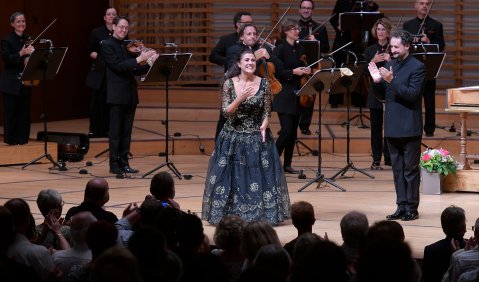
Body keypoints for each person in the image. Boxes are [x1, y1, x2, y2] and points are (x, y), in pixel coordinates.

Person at [202, 48, 291, 226]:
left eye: (253, 60)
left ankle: (259, 213)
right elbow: (226, 113)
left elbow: (266, 109)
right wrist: (240, 97)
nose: (250, 63)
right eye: (247, 60)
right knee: (232, 176)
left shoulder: (264, 83)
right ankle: (231, 213)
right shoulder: (229, 83)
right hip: (232, 136)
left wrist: (265, 122)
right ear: (239, 64)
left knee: (257, 176)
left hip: (257, 137)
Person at [368, 29, 426, 221]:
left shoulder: (417, 67)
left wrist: (391, 80)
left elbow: (411, 95)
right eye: (391, 46)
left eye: (395, 46)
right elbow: (383, 94)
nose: (391, 50)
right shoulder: (391, 64)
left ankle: (412, 207)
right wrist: (377, 81)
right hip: (392, 126)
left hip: (409, 126)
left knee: (410, 170)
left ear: (407, 46)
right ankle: (401, 205)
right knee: (397, 171)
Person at [101, 16, 158, 175]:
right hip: (116, 94)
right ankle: (114, 165)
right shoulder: (107, 45)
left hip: (130, 93)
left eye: (126, 28)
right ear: (113, 27)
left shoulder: (127, 46)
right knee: (115, 132)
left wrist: (150, 64)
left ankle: (124, 163)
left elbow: (134, 70)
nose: (123, 30)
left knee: (126, 131)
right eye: (120, 27)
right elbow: (118, 67)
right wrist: (140, 58)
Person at [272, 18, 311, 174]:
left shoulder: (299, 49)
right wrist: (293, 72)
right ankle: (273, 160)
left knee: (293, 133)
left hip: (298, 94)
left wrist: (306, 70)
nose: (297, 31)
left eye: (298, 29)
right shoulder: (279, 49)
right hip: (284, 94)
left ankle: (287, 164)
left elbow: (302, 66)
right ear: (286, 31)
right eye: (294, 29)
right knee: (286, 131)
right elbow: (275, 72)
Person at [403, 0, 445, 137]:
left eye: (427, 3)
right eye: (421, 3)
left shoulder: (436, 25)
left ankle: (429, 129)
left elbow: (441, 45)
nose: (424, 5)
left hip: (428, 68)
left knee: (429, 100)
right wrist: (410, 42)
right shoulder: (408, 25)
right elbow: (401, 44)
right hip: (411, 68)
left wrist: (429, 41)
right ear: (415, 6)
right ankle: (412, 127)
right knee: (411, 99)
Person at [209, 11, 253, 141]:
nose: (250, 25)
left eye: (251, 23)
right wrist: (229, 62)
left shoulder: (253, 41)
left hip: (250, 83)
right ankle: (218, 146)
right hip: (232, 81)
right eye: (247, 23)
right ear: (237, 24)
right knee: (225, 114)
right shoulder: (227, 40)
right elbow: (213, 56)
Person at [329, 0, 379, 108]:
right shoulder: (341, 2)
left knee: (356, 67)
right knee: (338, 66)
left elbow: (373, 14)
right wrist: (338, 27)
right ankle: (335, 99)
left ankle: (358, 99)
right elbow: (333, 17)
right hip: (342, 37)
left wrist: (372, 5)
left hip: (357, 39)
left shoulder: (365, 2)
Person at [0, 12, 35, 145]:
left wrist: (30, 56)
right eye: (19, 21)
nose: (22, 24)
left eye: (23, 21)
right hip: (11, 82)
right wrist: (21, 53)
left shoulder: (28, 38)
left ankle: (23, 140)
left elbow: (28, 61)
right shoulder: (6, 39)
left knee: (24, 114)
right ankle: (11, 142)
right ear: (12, 24)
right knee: (11, 114)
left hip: (25, 81)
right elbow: (6, 59)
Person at [297, 0, 330, 135]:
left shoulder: (320, 28)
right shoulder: (294, 26)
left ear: (312, 10)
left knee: (310, 96)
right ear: (299, 9)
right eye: (304, 8)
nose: (306, 10)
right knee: (294, 96)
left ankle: (305, 125)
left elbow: (326, 48)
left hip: (313, 65)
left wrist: (316, 42)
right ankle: (290, 124)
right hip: (296, 65)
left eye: (309, 8)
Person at [364, 17, 393, 170]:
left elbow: (399, 69)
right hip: (375, 93)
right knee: (375, 127)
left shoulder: (394, 48)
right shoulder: (370, 50)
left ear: (388, 31)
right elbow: (364, 72)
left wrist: (391, 60)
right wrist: (373, 61)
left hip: (390, 92)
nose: (381, 32)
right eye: (379, 29)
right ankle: (376, 158)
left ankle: (389, 157)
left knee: (389, 126)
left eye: (384, 29)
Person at [86, 7, 118, 138]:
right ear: (104, 17)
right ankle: (94, 130)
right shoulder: (96, 32)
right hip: (99, 72)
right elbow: (90, 51)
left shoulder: (120, 31)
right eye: (108, 14)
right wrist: (102, 59)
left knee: (110, 103)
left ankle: (108, 130)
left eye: (114, 14)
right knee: (96, 103)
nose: (111, 16)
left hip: (113, 73)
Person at [422, 206, 466, 282]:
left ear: (443, 228)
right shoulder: (472, 248)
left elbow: (427, 278)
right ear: (464, 228)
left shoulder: (430, 250)